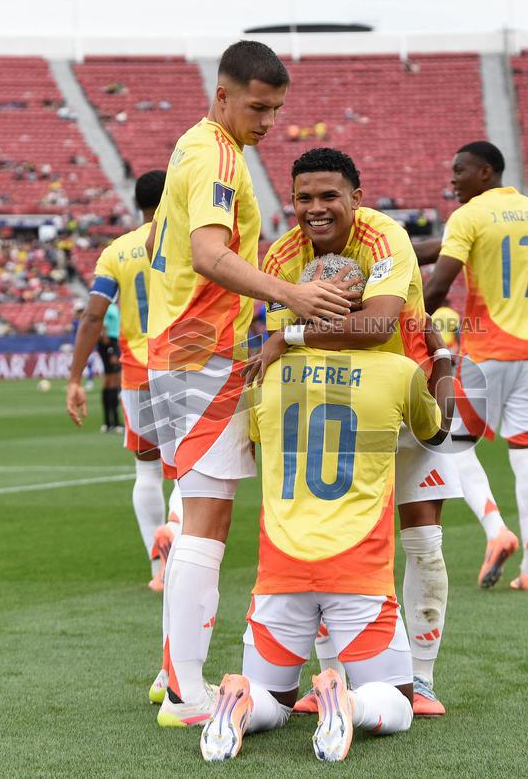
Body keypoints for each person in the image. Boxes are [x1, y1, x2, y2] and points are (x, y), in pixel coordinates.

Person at [144, 41, 356, 727]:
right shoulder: (214, 154)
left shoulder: (203, 148)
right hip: (198, 354)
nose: (270, 120)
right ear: (223, 94)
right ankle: (183, 694)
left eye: (278, 109)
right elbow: (209, 254)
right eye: (259, 107)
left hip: (191, 351)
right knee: (206, 518)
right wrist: (291, 296)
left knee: (198, 512)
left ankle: (172, 669)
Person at [198, 258, 451, 762]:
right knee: (399, 703)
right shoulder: (397, 372)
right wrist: (441, 353)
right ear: (360, 306)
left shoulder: (265, 373)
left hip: (280, 570)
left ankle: (239, 700)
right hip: (357, 570)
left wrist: (287, 340)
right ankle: (348, 702)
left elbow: (252, 438)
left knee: (275, 699)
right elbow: (437, 431)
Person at [255, 148, 461, 715]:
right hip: (333, 402)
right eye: (303, 198)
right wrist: (285, 343)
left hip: (405, 386)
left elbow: (374, 327)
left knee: (422, 538)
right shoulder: (281, 256)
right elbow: (275, 352)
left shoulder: (384, 238)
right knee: (324, 534)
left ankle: (419, 678)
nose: (315, 209)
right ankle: (332, 679)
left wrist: (293, 336)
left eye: (329, 196)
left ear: (356, 198)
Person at [423, 141, 528, 593]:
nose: (452, 179)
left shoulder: (469, 216)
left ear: (486, 172)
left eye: (460, 170)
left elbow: (438, 287)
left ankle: (495, 530)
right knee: (526, 455)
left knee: (452, 447)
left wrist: (404, 326)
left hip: (485, 352)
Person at [66, 171, 182, 597]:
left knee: (146, 469)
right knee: (189, 471)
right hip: (186, 365)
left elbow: (93, 316)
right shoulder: (187, 239)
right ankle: (179, 544)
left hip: (136, 373)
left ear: (137, 205)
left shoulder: (117, 251)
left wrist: (75, 377)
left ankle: (158, 565)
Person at [97, 300, 122, 432]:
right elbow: (103, 325)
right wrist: (111, 349)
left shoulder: (111, 305)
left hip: (111, 342)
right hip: (109, 343)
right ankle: (113, 422)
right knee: (112, 381)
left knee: (111, 382)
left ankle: (109, 422)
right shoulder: (107, 305)